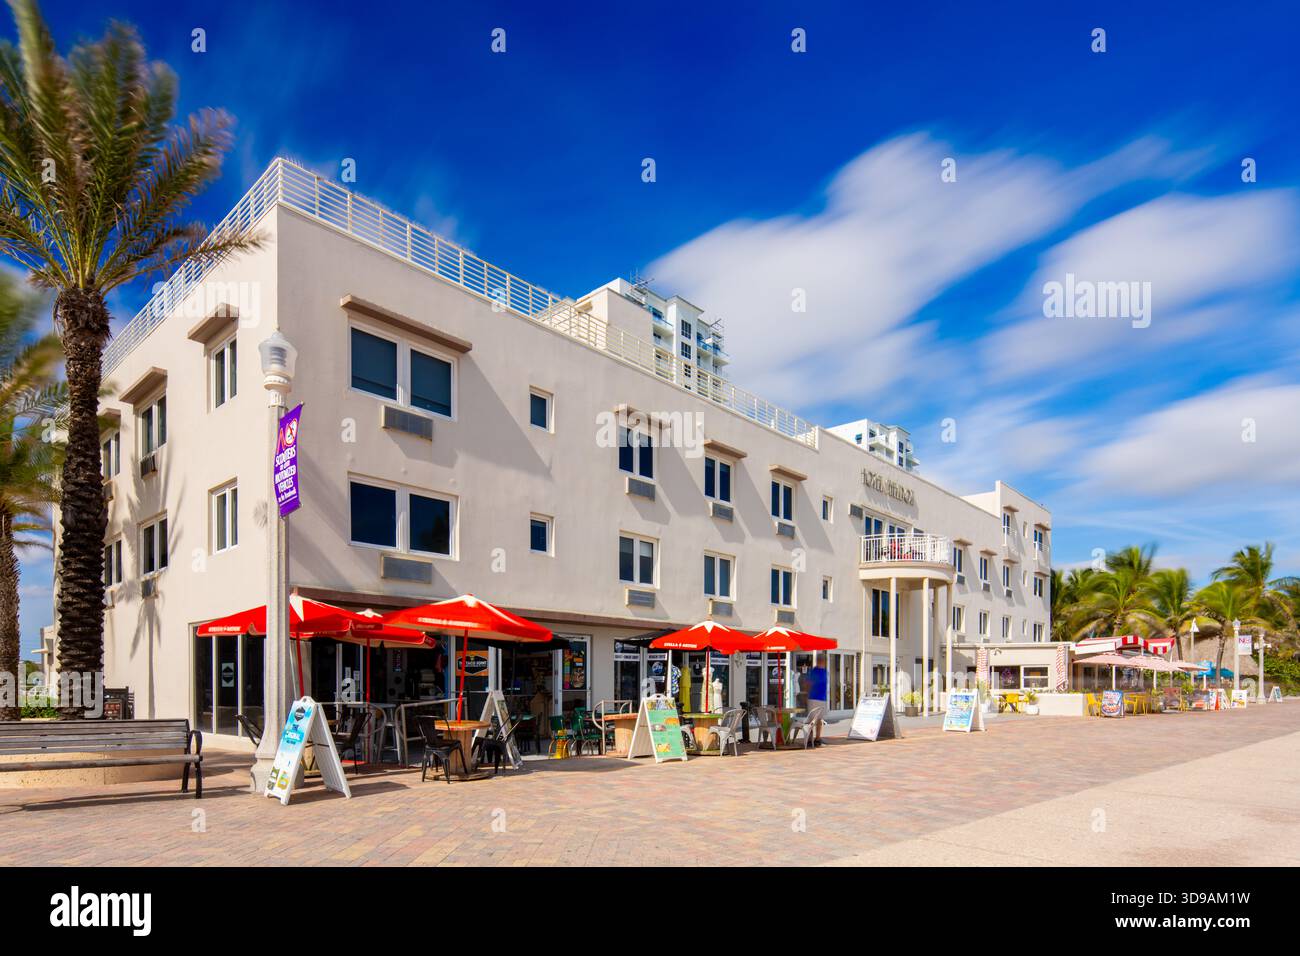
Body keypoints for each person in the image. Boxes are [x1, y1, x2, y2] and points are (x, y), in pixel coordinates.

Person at [807, 657, 829, 745]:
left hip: (822, 698)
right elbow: (808, 683)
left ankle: (818, 738)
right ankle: (809, 738)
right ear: (819, 661)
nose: (823, 662)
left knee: (819, 719)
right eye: (822, 661)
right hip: (814, 698)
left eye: (824, 661)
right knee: (812, 719)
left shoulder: (824, 671)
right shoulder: (814, 671)